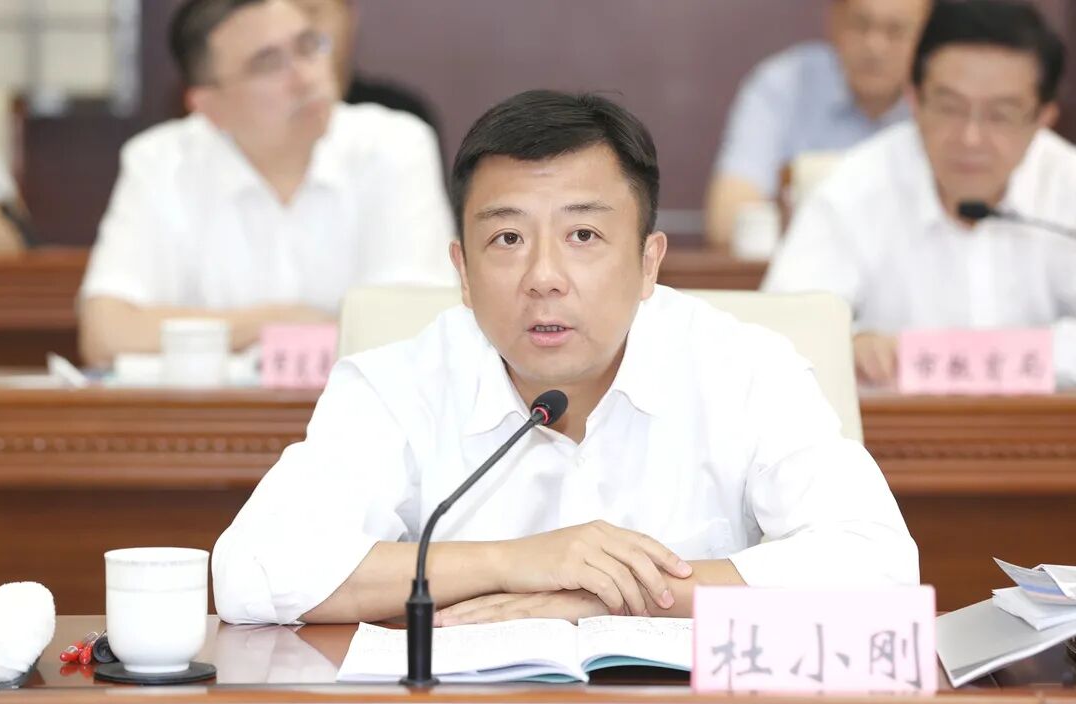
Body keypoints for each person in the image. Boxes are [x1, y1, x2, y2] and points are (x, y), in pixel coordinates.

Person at [212, 89, 918, 626]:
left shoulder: (744, 369)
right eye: (508, 240)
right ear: (462, 272)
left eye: (583, 236)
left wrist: (600, 596)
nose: (544, 277)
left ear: (649, 262)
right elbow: (251, 570)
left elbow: (881, 567)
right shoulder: (397, 383)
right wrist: (514, 563)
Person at [78, 0, 454, 368]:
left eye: (308, 46)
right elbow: (106, 336)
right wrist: (277, 321)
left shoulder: (395, 146)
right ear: (209, 106)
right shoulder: (160, 162)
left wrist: (221, 333)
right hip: (216, 411)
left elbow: (415, 328)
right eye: (268, 64)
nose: (306, 78)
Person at [763, 0, 1076, 388]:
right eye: (949, 107)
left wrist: (1001, 356)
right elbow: (784, 332)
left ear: (1043, 118)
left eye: (1001, 114)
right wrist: (848, 345)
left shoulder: (1067, 186)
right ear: (914, 99)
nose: (971, 138)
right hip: (891, 426)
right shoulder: (854, 188)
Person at [705, 0, 931, 249]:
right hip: (802, 266)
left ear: (927, 36)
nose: (874, 46)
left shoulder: (943, 101)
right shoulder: (785, 85)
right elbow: (726, 220)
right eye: (860, 24)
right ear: (834, 22)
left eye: (895, 30)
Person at [290, 0, 440, 140]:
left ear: (350, 18)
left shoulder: (402, 118)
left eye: (311, 12)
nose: (299, 32)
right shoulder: (277, 120)